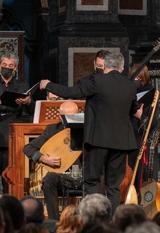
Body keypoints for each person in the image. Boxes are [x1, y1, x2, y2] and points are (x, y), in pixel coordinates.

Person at [41, 52, 140, 211]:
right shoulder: (130, 85)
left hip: (97, 141)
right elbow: (133, 109)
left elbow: (70, 92)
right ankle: (112, 222)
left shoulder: (97, 81)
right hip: (121, 142)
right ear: (121, 68)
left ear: (105, 66)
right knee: (114, 186)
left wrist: (48, 85)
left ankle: (92, 219)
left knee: (92, 181)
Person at [0, 52, 32, 196]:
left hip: (13, 137)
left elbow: (29, 111)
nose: (7, 68)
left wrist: (28, 102)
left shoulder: (22, 85)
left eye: (11, 66)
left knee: (10, 181)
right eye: (4, 65)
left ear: (15, 68)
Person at [23, 100, 82, 220]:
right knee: (49, 178)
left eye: (73, 115)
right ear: (60, 116)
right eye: (67, 116)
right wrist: (44, 159)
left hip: (83, 177)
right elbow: (28, 148)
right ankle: (53, 221)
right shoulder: (52, 130)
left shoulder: (87, 130)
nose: (70, 119)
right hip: (62, 177)